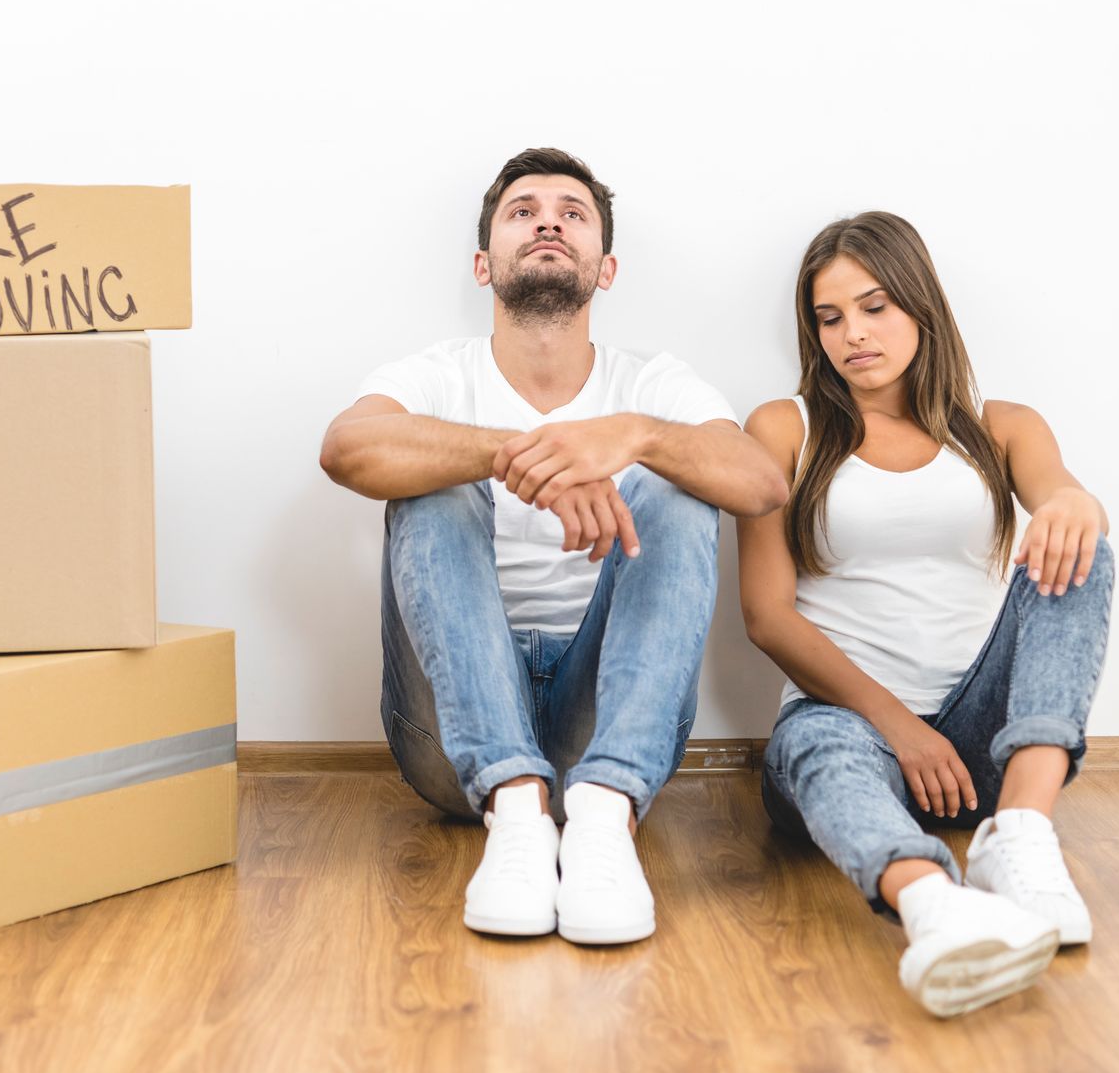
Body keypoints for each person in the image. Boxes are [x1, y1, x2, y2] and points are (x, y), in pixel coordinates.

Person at [319, 148, 785, 945]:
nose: (547, 221)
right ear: (483, 262)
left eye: (572, 213)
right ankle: (516, 813)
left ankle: (603, 821)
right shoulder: (436, 373)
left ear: (604, 268)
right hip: (448, 728)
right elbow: (346, 448)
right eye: (522, 210)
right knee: (428, 480)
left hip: (604, 720)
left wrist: (633, 437)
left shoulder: (654, 382)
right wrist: (523, 456)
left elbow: (761, 483)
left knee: (678, 478)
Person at [737, 211, 1114, 1017]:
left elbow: (1065, 500)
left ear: (920, 305)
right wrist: (899, 727)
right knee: (816, 744)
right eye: (829, 317)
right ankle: (933, 904)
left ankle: (1019, 830)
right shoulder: (785, 428)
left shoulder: (1002, 425)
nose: (853, 335)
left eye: (874, 307)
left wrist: (1074, 504)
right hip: (846, 728)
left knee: (1085, 548)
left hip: (977, 742)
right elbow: (767, 617)